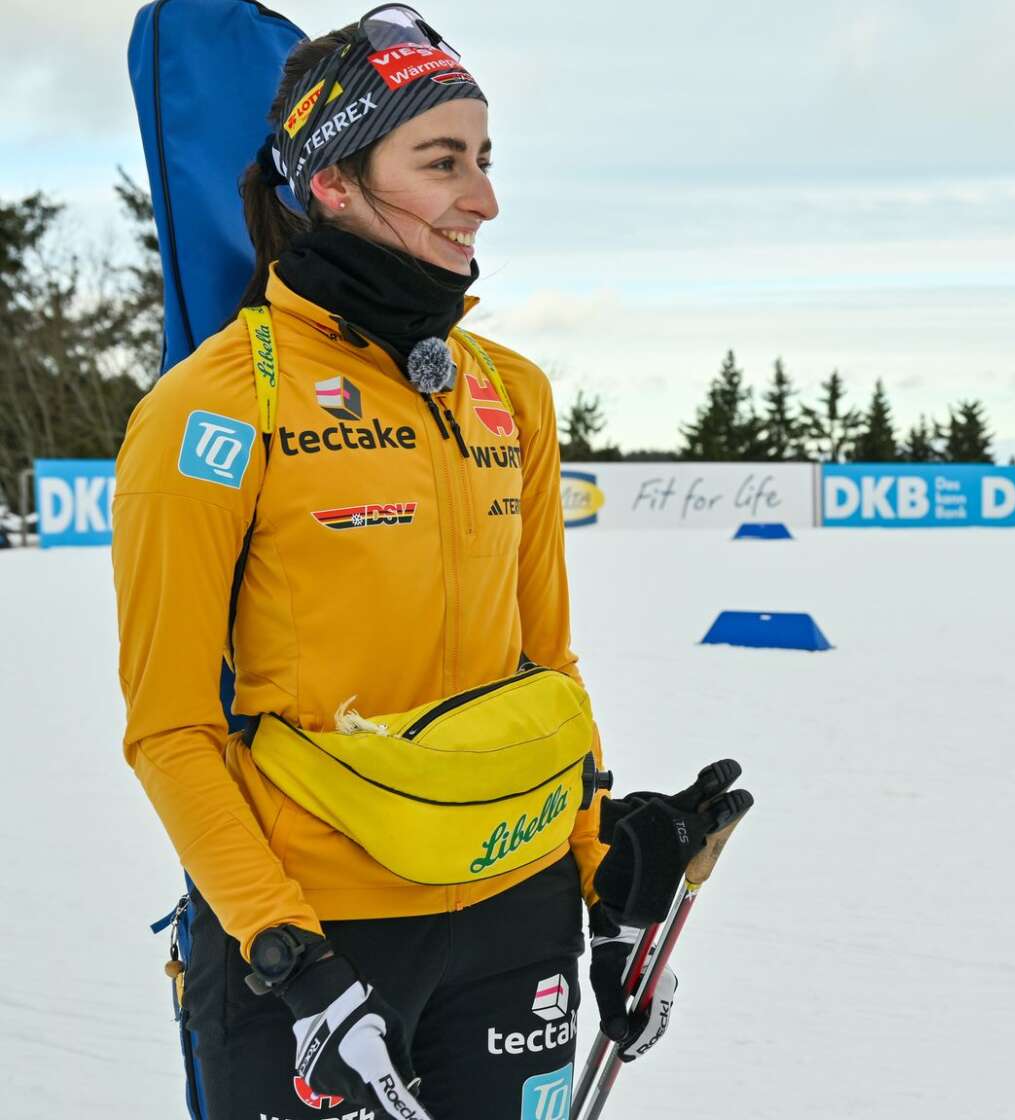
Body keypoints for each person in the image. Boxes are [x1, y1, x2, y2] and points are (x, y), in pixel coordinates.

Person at [112, 7, 740, 1117]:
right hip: (316, 943)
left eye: (486, 160)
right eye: (443, 161)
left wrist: (604, 877)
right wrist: (287, 956)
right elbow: (171, 728)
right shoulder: (212, 408)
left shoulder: (514, 393)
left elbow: (546, 662)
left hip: (515, 920)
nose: (484, 199)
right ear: (336, 182)